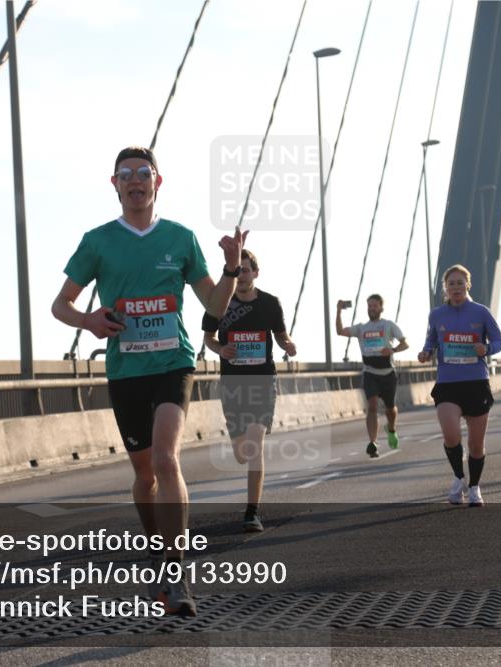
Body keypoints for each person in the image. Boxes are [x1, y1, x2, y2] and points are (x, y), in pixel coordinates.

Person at [51, 146, 246, 616]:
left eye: (144, 174)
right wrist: (90, 321)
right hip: (125, 371)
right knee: (144, 475)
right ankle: (158, 550)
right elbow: (60, 305)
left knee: (166, 458)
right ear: (114, 184)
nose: (135, 181)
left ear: (158, 182)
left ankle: (176, 573)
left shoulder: (180, 238)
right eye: (126, 175)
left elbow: (213, 306)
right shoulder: (97, 241)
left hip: (173, 364)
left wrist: (232, 268)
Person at [202, 249, 296, 533]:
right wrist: (221, 348)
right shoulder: (220, 303)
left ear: (256, 273)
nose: (241, 275)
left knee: (255, 445)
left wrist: (287, 345)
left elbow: (281, 335)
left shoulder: (269, 303)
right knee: (242, 453)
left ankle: (252, 512)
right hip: (232, 384)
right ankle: (240, 455)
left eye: (246, 270)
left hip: (263, 381)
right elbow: (209, 339)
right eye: (237, 270)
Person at [417, 265, 501, 507]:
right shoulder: (436, 315)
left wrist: (486, 349)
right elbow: (431, 340)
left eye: (460, 282)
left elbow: (499, 340)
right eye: (451, 283)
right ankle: (458, 478)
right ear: (445, 288)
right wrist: (426, 352)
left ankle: (474, 487)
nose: (455, 287)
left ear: (468, 284)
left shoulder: (481, 312)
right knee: (451, 435)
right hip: (448, 384)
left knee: (476, 444)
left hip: (476, 382)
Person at [336, 295, 408, 458]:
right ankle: (373, 442)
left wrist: (393, 350)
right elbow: (340, 332)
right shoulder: (362, 328)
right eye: (369, 306)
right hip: (370, 372)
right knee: (373, 405)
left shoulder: (388, 325)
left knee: (390, 409)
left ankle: (391, 428)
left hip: (388, 373)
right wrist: (338, 312)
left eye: (375, 306)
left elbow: (405, 343)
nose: (372, 309)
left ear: (381, 308)